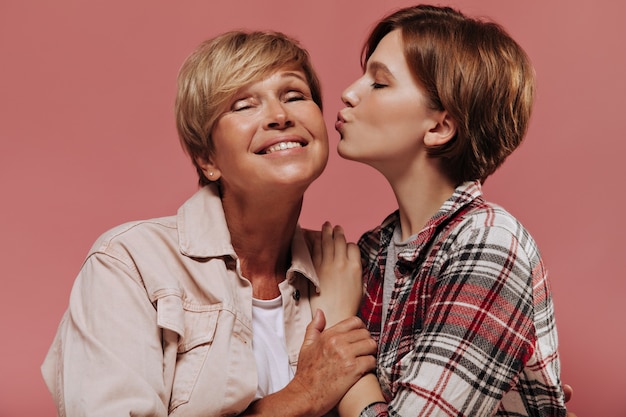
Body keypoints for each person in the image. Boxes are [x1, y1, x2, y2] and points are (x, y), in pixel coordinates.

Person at [41, 30, 376, 417]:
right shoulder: (129, 264)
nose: (280, 116)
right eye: (244, 105)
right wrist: (301, 396)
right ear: (206, 159)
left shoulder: (349, 268)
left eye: (295, 96)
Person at [312, 4, 570, 416]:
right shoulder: (371, 253)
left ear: (439, 127)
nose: (349, 92)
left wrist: (342, 335)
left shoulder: (490, 243)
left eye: (379, 83)